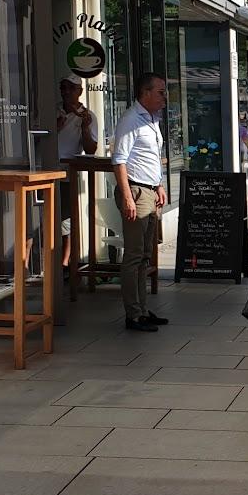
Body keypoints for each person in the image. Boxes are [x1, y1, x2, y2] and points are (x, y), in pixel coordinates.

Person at [111, 72, 168, 333]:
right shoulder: (130, 120)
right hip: (135, 192)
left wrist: (159, 185)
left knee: (146, 255)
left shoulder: (152, 119)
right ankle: (133, 314)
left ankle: (142, 310)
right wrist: (126, 197)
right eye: (160, 92)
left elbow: (149, 158)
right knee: (134, 256)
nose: (164, 96)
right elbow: (119, 160)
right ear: (145, 93)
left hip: (149, 191)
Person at [56, 77, 99, 267]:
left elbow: (91, 149)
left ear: (79, 91)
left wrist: (85, 128)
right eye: (62, 87)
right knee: (38, 219)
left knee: (65, 219)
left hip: (66, 173)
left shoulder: (87, 116)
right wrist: (54, 127)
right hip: (43, 170)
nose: (65, 91)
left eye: (70, 88)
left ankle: (65, 263)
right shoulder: (52, 110)